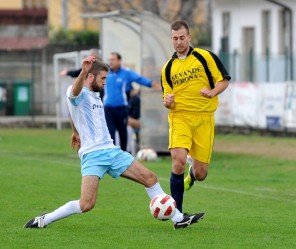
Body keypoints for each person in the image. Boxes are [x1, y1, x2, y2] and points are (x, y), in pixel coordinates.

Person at [23, 56, 204, 230]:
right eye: (103, 78)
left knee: (150, 178)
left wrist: (75, 131)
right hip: (93, 156)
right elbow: (73, 97)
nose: (105, 82)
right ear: (90, 76)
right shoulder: (77, 91)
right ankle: (44, 219)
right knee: (86, 204)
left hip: (112, 152)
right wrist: (82, 72)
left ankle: (178, 219)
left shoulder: (95, 95)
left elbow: (74, 113)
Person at [161, 20, 231, 214]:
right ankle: (177, 215)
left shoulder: (204, 57)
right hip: (180, 117)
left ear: (189, 37)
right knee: (178, 161)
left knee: (201, 174)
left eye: (182, 38)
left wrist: (212, 92)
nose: (178, 42)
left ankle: (191, 176)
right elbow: (167, 98)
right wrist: (167, 102)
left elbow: (223, 81)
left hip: (204, 119)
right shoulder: (167, 68)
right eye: (175, 39)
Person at [103, 52, 160, 151]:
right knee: (110, 133)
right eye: (109, 60)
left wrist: (151, 83)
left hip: (121, 108)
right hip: (108, 109)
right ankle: (111, 156)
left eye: (113, 59)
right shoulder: (105, 73)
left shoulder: (126, 73)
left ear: (119, 61)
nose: (110, 62)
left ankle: (124, 154)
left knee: (122, 133)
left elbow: (139, 79)